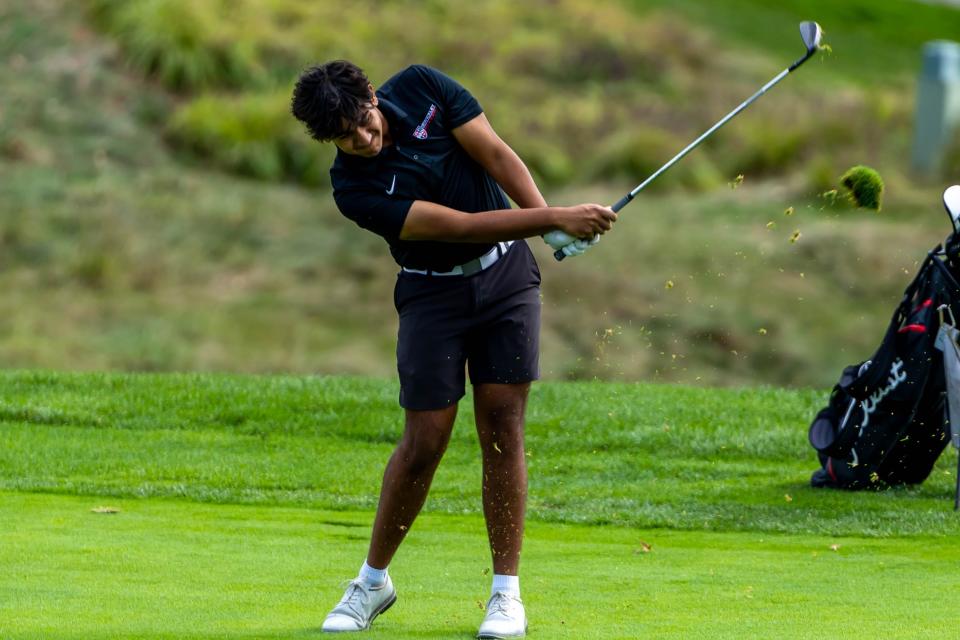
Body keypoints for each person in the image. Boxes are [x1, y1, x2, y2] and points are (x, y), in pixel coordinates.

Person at [290, 60, 616, 638]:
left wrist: (547, 227)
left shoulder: (423, 88)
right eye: (346, 136)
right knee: (423, 442)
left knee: (502, 427)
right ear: (329, 141)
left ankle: (505, 596)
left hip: (506, 282)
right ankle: (372, 583)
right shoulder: (354, 187)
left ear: (372, 93)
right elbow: (462, 226)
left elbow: (495, 154)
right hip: (431, 295)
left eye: (365, 121)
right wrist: (555, 217)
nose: (364, 139)